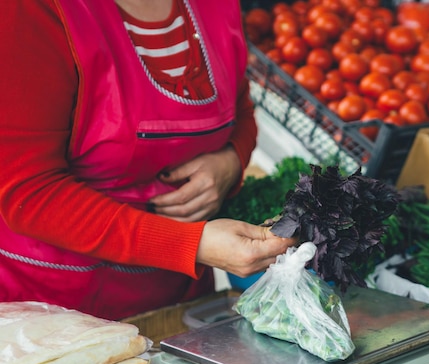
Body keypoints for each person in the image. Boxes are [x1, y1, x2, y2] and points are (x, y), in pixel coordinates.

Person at [0, 0, 295, 320]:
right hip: (55, 312)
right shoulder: (28, 10)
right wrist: (190, 245)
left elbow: (240, 106)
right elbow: (29, 190)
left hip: (179, 300)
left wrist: (231, 160)